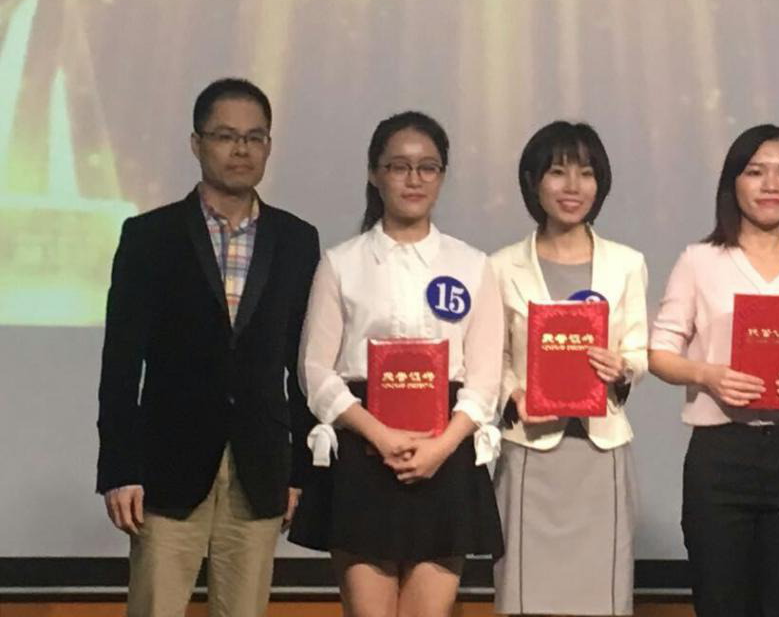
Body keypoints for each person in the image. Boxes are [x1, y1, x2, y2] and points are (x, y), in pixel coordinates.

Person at [96, 77, 320, 617]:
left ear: (268, 146)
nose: (241, 149)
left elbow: (303, 364)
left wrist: (301, 472)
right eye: (225, 136)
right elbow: (121, 364)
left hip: (260, 469)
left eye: (254, 137)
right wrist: (119, 468)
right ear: (196, 143)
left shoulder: (297, 240)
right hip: (166, 466)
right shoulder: (149, 236)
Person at [292, 110, 504, 617]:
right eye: (399, 166)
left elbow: (484, 379)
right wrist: (380, 436)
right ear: (374, 173)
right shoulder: (341, 262)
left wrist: (441, 447)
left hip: (445, 451)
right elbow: (315, 371)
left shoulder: (473, 264)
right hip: (364, 452)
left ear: (442, 176)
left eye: (428, 167)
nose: (414, 179)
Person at [648, 124, 779, 617]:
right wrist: (708, 375)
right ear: (733, 182)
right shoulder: (700, 261)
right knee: (720, 601)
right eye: (756, 172)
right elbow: (659, 352)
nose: (772, 185)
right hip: (721, 454)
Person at [491, 121, 648, 616]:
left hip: (601, 451)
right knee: (524, 594)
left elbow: (639, 348)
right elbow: (494, 357)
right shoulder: (500, 266)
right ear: (533, 181)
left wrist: (623, 366)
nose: (573, 186)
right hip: (530, 451)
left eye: (586, 173)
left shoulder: (627, 263)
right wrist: (512, 395)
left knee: (601, 597)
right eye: (558, 172)